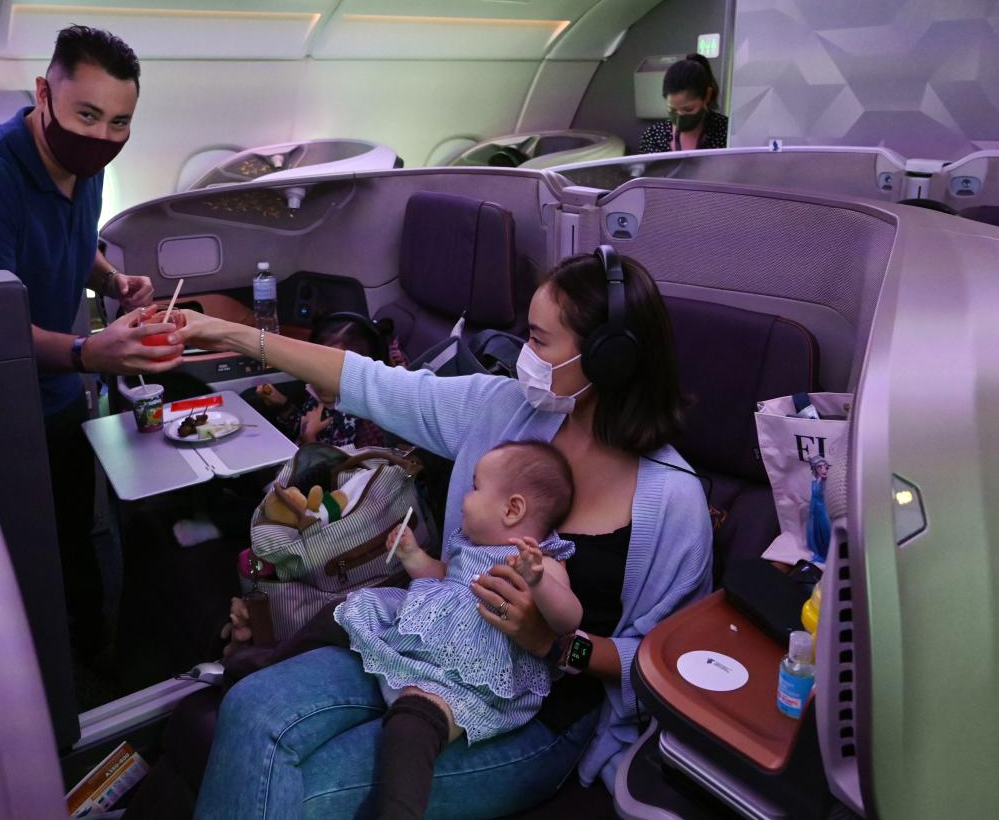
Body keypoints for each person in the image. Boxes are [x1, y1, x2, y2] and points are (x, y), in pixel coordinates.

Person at [136, 249, 712, 818]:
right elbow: (368, 381)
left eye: (539, 342)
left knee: (310, 789)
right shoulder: (508, 410)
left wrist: (557, 644)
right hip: (428, 642)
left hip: (532, 709)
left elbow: (662, 667)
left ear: (608, 360)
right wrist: (226, 334)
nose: (524, 360)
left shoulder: (672, 501)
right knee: (252, 709)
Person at [0, 25, 186, 660]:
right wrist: (91, 353)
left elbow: (72, 240)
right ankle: (27, 673)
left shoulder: (83, 167)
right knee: (15, 547)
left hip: (59, 380)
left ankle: (90, 657)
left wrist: (113, 279)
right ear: (43, 93)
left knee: (70, 527)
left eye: (120, 123)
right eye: (87, 114)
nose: (101, 138)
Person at [338, 440, 579, 818]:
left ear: (513, 509)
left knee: (411, 726)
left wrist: (539, 584)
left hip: (471, 676)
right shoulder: (470, 544)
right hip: (430, 640)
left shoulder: (539, 560)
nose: (466, 497)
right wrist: (414, 557)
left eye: (475, 487)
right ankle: (267, 657)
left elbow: (568, 619)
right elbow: (446, 578)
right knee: (356, 606)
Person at [256, 313, 391, 449]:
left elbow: (342, 467)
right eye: (318, 368)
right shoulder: (318, 395)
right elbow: (303, 426)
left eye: (335, 371)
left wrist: (310, 438)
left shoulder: (361, 419)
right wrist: (282, 404)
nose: (322, 379)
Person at [638, 53, 729, 154]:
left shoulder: (726, 131)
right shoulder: (653, 136)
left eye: (688, 109)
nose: (680, 116)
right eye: (672, 109)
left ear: (707, 96)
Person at [806, 455, 831, 563]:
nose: (823, 470)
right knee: (817, 535)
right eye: (819, 467)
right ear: (815, 470)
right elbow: (813, 498)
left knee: (827, 532)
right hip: (816, 512)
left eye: (825, 467)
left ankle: (831, 554)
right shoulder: (814, 483)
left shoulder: (828, 483)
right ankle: (822, 553)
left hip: (825, 512)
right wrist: (811, 513)